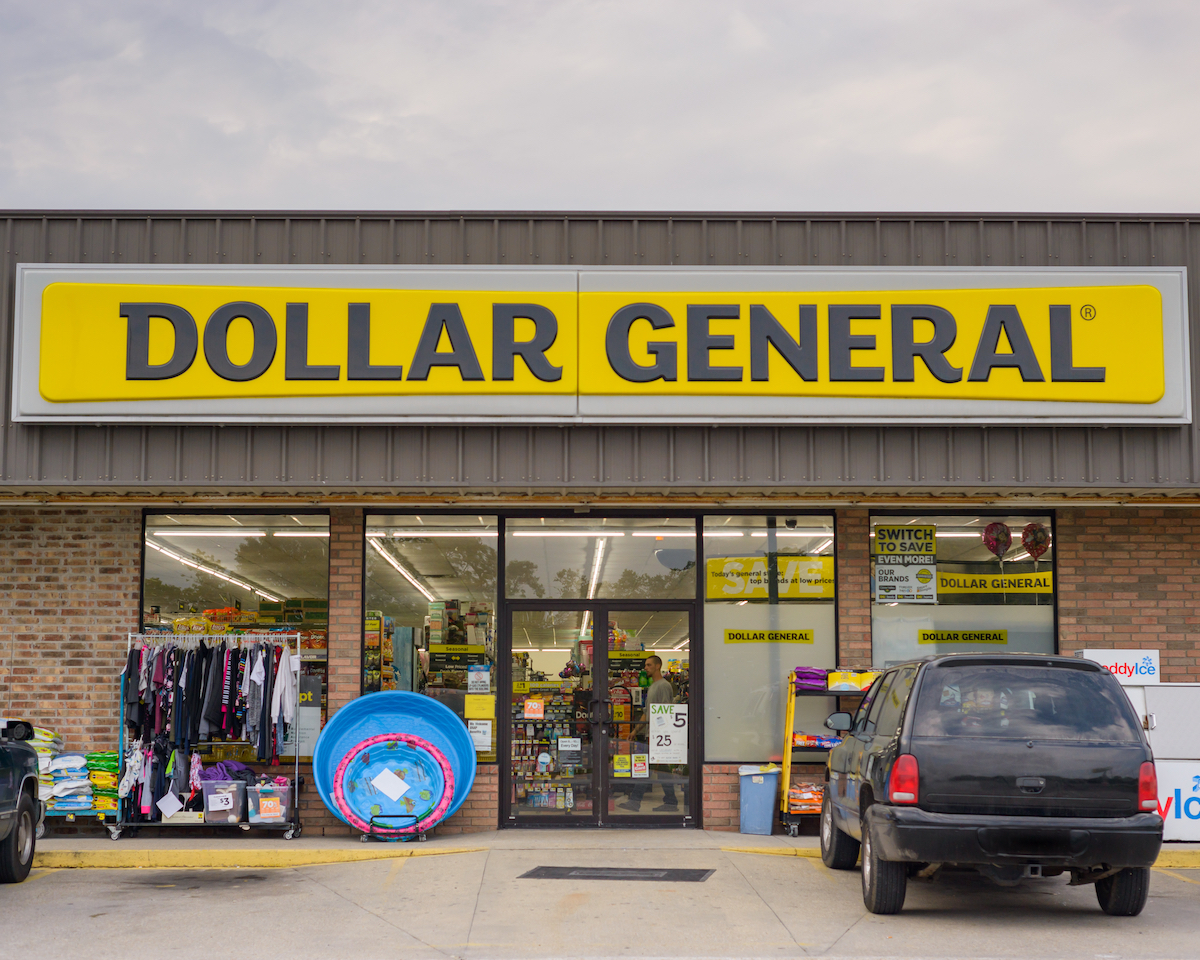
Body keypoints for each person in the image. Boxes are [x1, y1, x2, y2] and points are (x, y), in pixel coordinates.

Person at [618, 656, 680, 812]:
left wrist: (659, 736)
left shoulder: (663, 686)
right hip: (652, 735)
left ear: (658, 666)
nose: (645, 668)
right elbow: (647, 713)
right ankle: (671, 802)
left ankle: (635, 802)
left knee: (645, 768)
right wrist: (635, 730)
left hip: (659, 736)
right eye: (645, 665)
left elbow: (666, 712)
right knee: (662, 770)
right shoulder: (653, 686)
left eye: (649, 665)